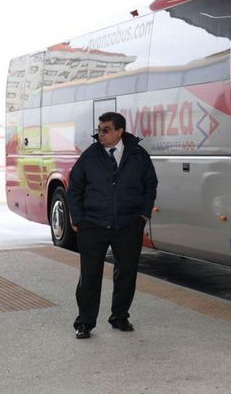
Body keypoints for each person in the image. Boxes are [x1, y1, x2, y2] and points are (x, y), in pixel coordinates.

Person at [67, 112, 158, 340]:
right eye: (99, 130)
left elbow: (150, 185)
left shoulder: (138, 155)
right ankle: (85, 323)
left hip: (128, 225)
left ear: (119, 131)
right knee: (90, 275)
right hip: (93, 225)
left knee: (126, 272)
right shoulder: (90, 156)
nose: (101, 134)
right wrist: (78, 218)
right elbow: (74, 187)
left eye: (106, 130)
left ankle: (119, 316)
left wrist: (143, 216)